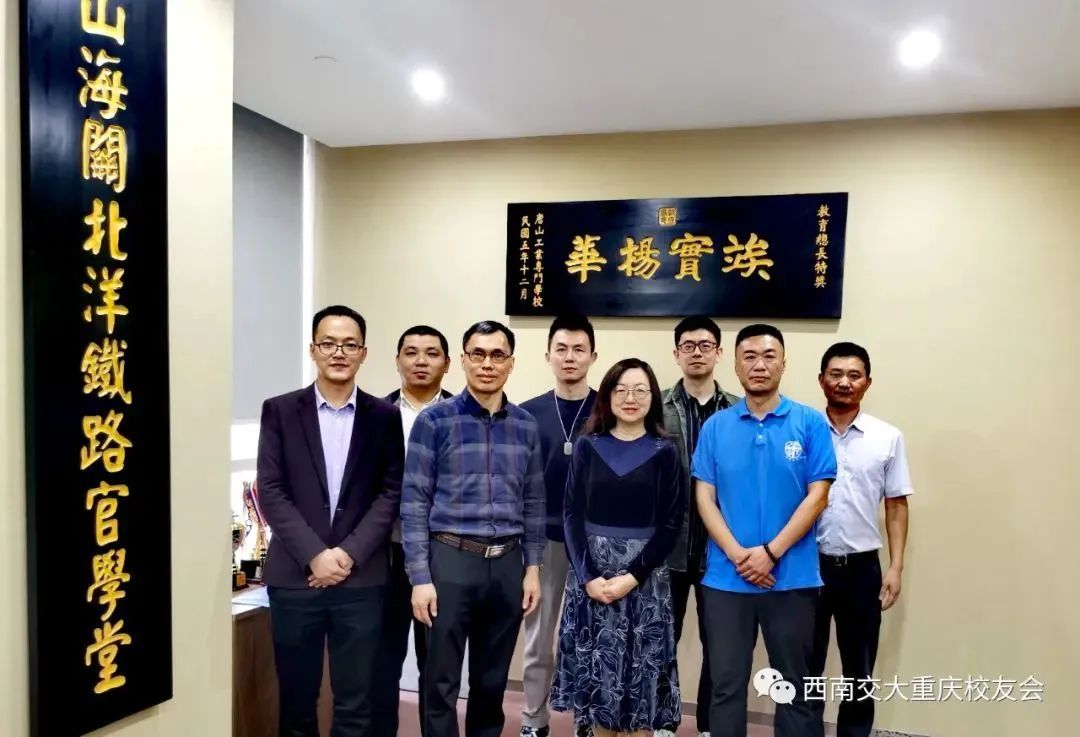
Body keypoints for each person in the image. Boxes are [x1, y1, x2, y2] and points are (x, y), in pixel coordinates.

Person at [257, 305, 404, 737]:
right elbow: (271, 489)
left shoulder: (384, 416)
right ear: (313, 350)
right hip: (295, 578)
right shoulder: (280, 410)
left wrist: (347, 554)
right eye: (328, 343)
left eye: (349, 345)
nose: (338, 352)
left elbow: (390, 492)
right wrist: (315, 555)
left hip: (361, 581)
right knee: (297, 701)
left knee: (356, 703)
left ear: (363, 353)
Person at [401, 320, 545, 737]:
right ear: (463, 360)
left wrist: (532, 568)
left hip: (507, 565)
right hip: (449, 561)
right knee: (440, 680)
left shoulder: (526, 425)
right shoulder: (435, 421)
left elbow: (534, 501)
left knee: (491, 682)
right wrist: (420, 578)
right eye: (478, 354)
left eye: (497, 355)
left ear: (511, 363)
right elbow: (414, 502)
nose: (487, 364)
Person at [693, 324, 836, 737]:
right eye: (750, 356)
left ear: (784, 364)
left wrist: (770, 553)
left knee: (795, 688)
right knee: (725, 686)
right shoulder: (715, 427)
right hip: (726, 580)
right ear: (736, 365)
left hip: (792, 579)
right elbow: (705, 499)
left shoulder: (809, 423)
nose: (759, 365)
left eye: (769, 356)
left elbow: (818, 497)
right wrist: (740, 556)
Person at [550, 358, 684, 737]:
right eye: (621, 389)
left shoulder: (665, 450)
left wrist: (632, 576)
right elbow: (571, 514)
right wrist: (588, 576)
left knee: (641, 679)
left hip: (644, 579)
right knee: (598, 678)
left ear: (652, 397)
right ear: (608, 396)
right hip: (592, 575)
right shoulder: (587, 445)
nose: (630, 398)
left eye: (640, 390)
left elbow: (671, 523)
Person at [810, 342, 913, 737]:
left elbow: (896, 504)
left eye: (854, 375)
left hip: (861, 569)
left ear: (867, 382)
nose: (844, 382)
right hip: (808, 565)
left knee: (859, 671)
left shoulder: (887, 437)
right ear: (821, 380)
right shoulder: (803, 431)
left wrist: (896, 567)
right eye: (835, 374)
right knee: (805, 668)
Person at [658, 316, 739, 737]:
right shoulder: (655, 408)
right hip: (667, 549)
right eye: (687, 346)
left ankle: (710, 725)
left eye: (705, 345)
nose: (696, 353)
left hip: (721, 551)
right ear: (676, 353)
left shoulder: (739, 411)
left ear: (719, 353)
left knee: (720, 646)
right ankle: (662, 722)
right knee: (661, 642)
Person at [519, 314, 599, 737]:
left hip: (594, 544)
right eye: (561, 349)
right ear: (548, 355)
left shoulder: (609, 409)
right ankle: (534, 720)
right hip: (543, 542)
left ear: (593, 356)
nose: (570, 357)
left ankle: (588, 721)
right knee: (538, 640)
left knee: (591, 638)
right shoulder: (526, 413)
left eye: (579, 349)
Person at [372, 325, 454, 737]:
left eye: (431, 353)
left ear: (447, 363)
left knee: (436, 665)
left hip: (441, 555)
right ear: (397, 360)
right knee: (382, 663)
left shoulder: (462, 414)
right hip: (385, 555)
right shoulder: (375, 414)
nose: (421, 361)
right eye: (411, 352)